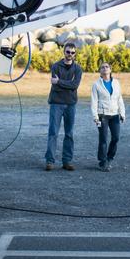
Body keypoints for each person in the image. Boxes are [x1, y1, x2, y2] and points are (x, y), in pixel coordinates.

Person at [45, 42, 82, 171]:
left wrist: (60, 82)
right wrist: (67, 84)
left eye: (72, 52)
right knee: (53, 132)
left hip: (71, 104)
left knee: (69, 133)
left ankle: (67, 161)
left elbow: (75, 85)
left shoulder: (77, 69)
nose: (70, 54)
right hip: (56, 103)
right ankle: (50, 161)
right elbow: (55, 86)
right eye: (68, 52)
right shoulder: (56, 66)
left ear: (75, 54)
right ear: (63, 52)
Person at [90, 62, 126, 171]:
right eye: (102, 67)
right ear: (100, 71)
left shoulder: (116, 83)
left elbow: (119, 99)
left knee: (116, 138)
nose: (105, 68)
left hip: (114, 114)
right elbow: (94, 101)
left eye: (107, 67)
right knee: (103, 139)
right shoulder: (96, 84)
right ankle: (102, 161)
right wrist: (95, 117)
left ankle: (110, 158)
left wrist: (122, 113)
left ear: (110, 69)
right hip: (102, 115)